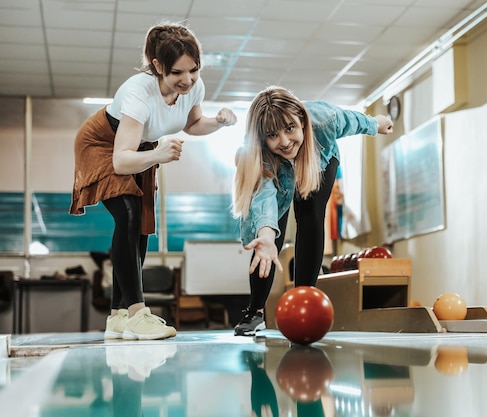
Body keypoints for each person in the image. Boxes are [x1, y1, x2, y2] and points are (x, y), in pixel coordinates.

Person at [70, 22, 237, 340]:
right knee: (129, 213)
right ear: (158, 67)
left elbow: (193, 124)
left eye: (194, 70)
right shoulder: (138, 93)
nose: (187, 80)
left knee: (142, 223)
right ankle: (136, 313)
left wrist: (218, 121)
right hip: (105, 145)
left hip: (141, 149)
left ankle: (118, 317)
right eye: (177, 73)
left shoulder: (193, 87)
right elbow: (120, 160)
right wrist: (158, 154)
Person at [231, 86, 393, 336]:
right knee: (267, 241)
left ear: (301, 119)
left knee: (310, 213)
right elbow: (265, 201)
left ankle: (302, 300)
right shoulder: (259, 155)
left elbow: (353, 120)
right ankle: (256, 311)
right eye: (273, 135)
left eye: (290, 129)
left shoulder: (324, 118)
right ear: (262, 139)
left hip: (320, 160)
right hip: (279, 173)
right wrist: (265, 235)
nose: (284, 142)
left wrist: (376, 124)